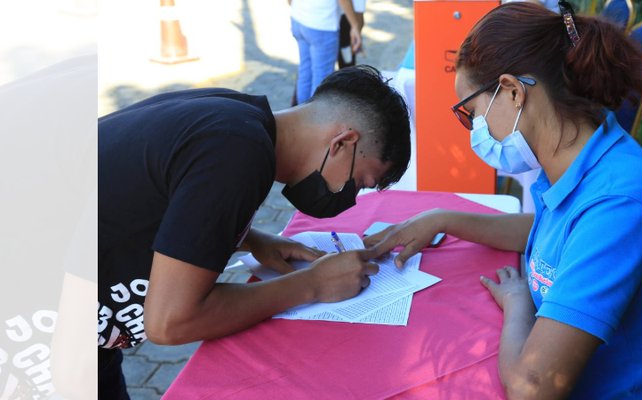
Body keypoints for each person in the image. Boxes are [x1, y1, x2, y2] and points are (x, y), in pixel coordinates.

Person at [365, 2, 642, 398]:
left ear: (511, 91)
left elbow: (533, 388)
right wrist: (442, 219)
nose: (476, 129)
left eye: (472, 112)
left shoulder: (619, 204)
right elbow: (554, 229)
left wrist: (518, 304)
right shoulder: (579, 150)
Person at [98, 65, 410, 399]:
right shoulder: (237, 153)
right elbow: (170, 321)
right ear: (343, 142)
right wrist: (312, 284)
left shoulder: (237, 118)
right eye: (360, 182)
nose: (349, 200)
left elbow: (163, 196)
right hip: (45, 325)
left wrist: (250, 238)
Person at [290, 0, 363, 104]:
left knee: (305, 73)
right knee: (321, 81)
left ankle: (300, 113)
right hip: (321, 24)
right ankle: (313, 117)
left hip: (298, 18)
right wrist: (355, 26)